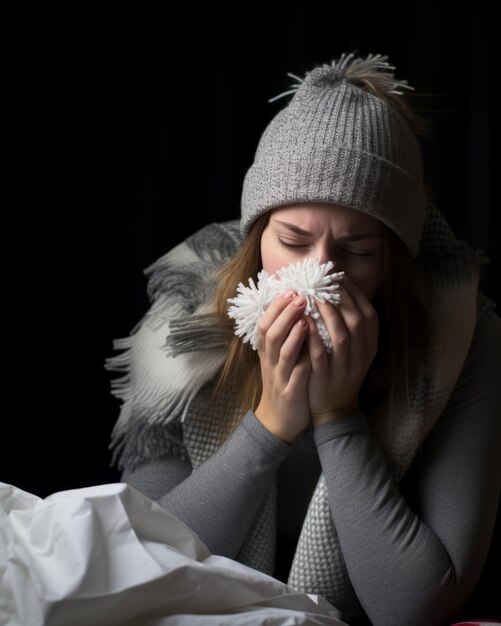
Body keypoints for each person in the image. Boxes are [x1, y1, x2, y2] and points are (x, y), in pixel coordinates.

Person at [104, 52, 501, 626]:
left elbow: (417, 606)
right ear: (257, 236)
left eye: (358, 251)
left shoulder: (461, 334)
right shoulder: (186, 313)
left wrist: (340, 419)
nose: (320, 274)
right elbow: (144, 561)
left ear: (393, 260)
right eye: (292, 241)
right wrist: (268, 425)